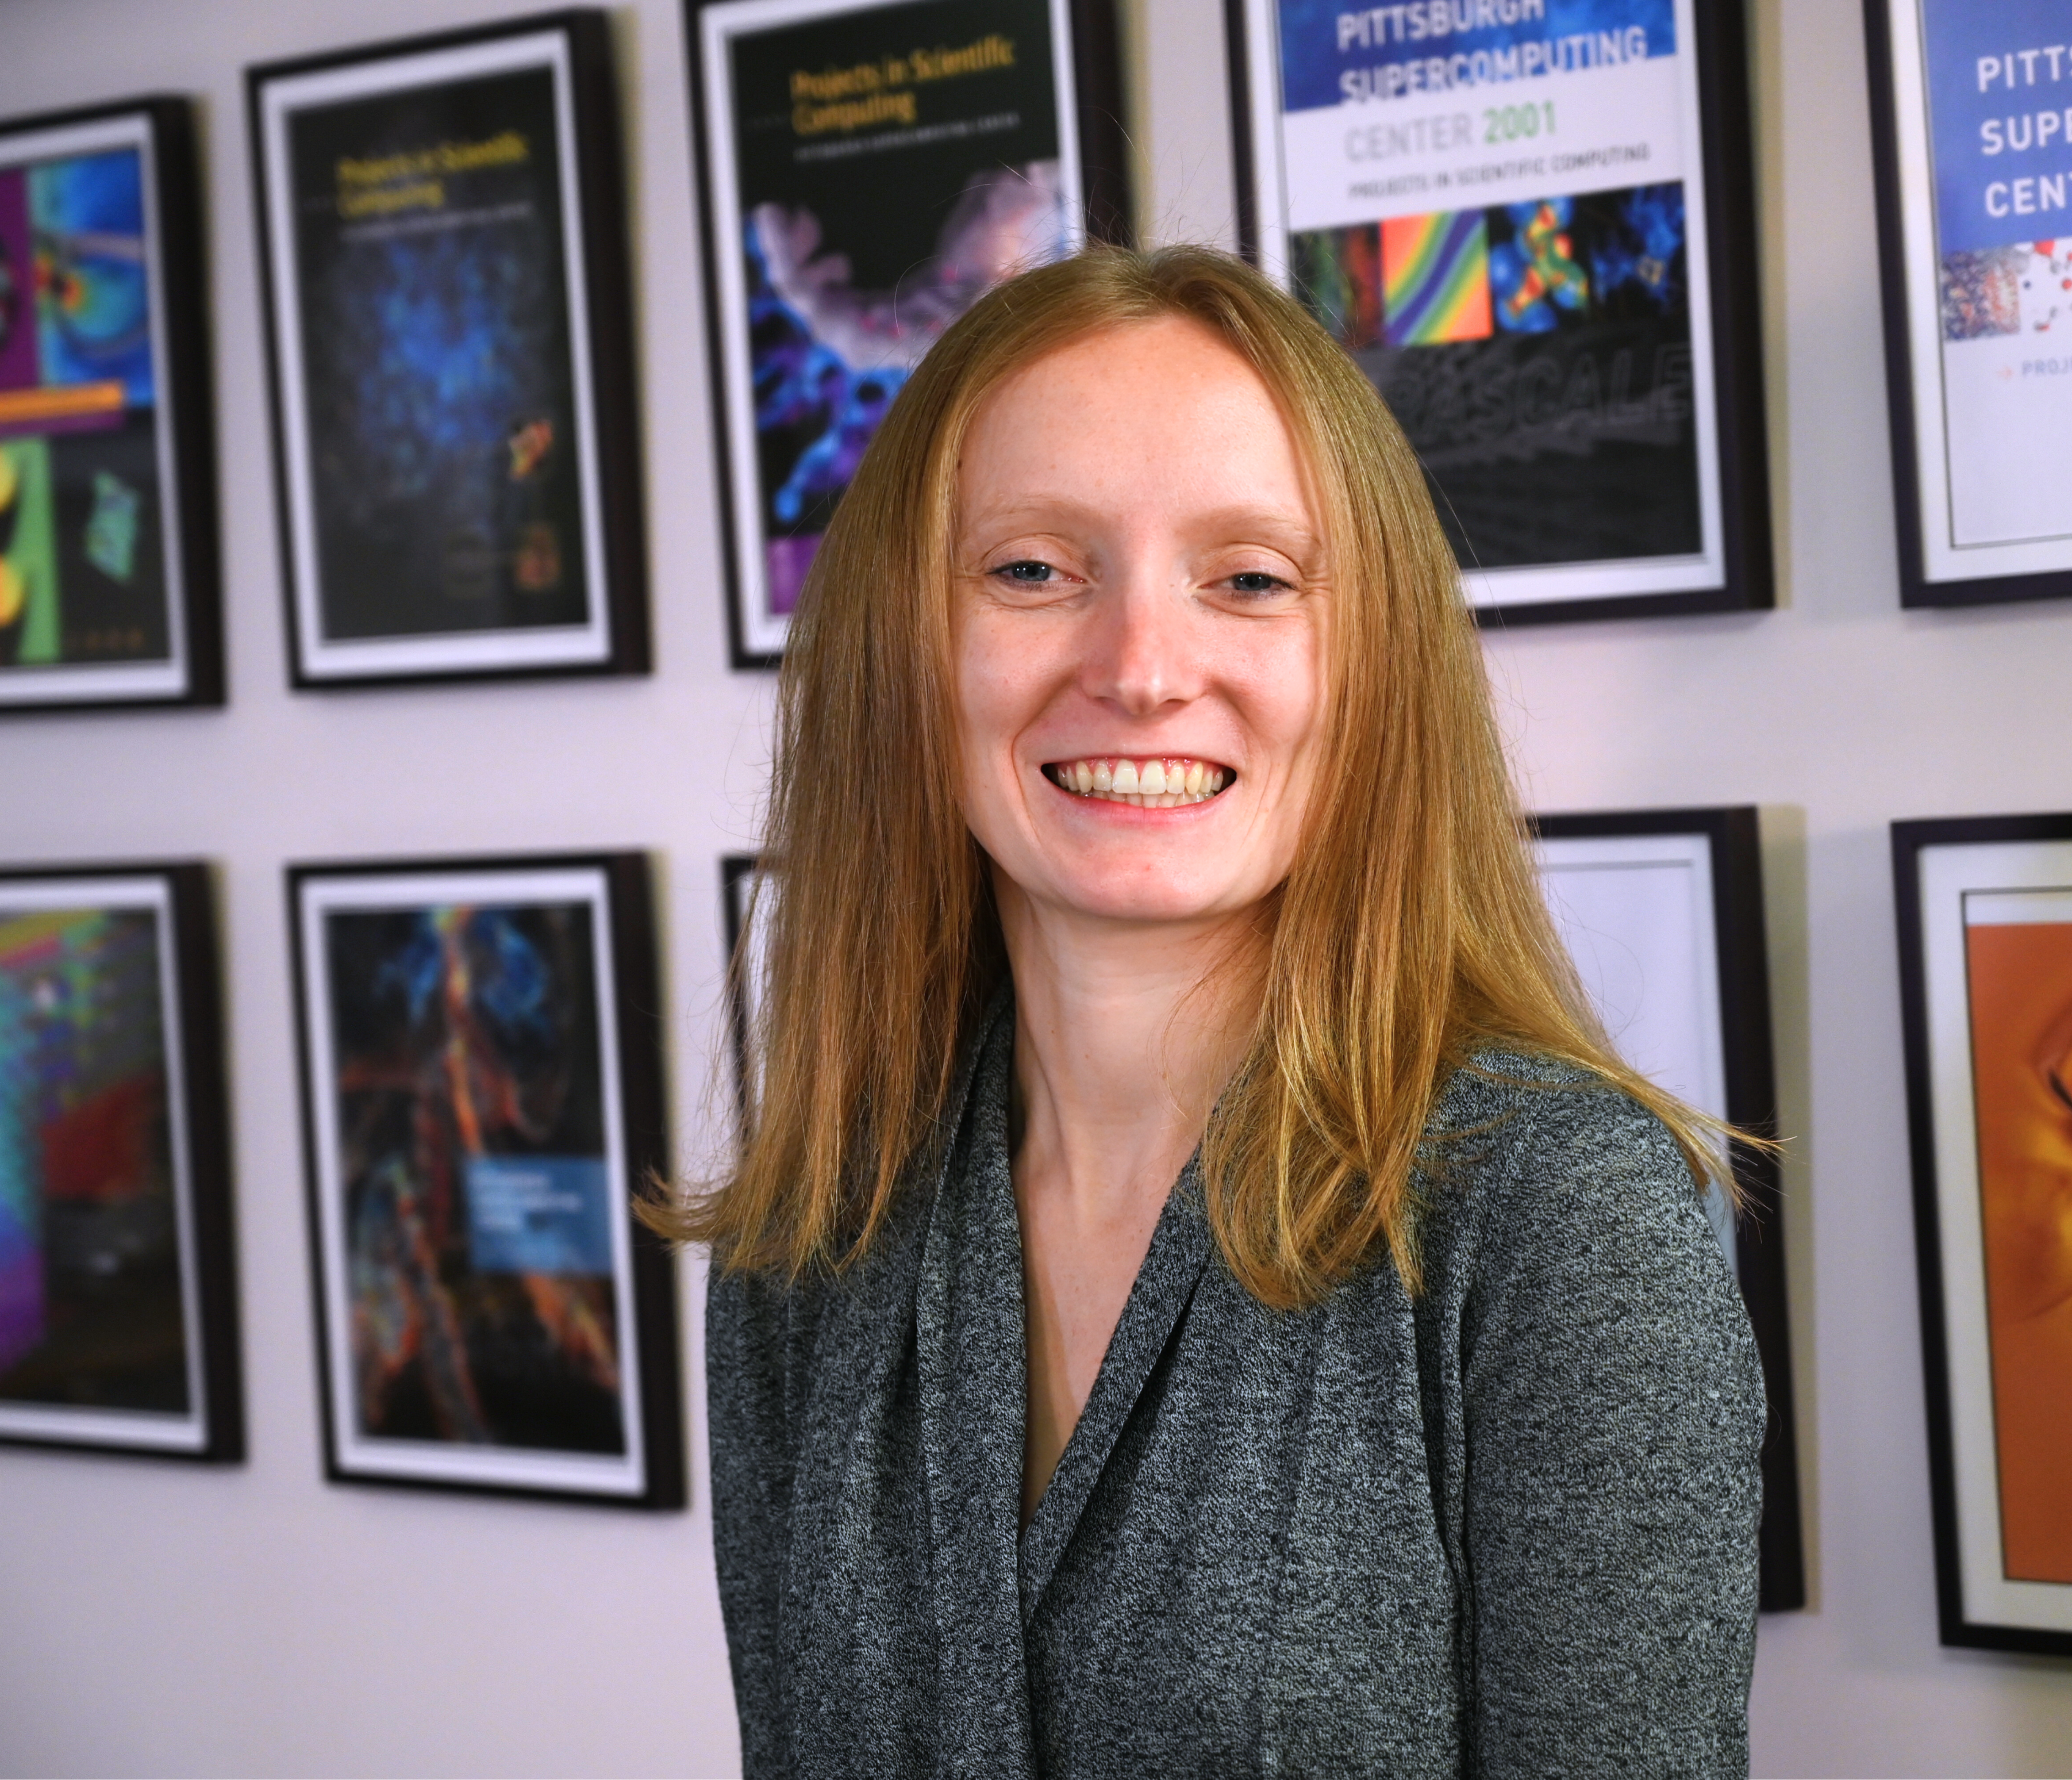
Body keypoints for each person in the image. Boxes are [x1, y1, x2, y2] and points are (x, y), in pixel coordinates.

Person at [665, 243, 1763, 1777]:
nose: (1140, 669)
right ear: (898, 649)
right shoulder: (811, 1239)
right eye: (1034, 570)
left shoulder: (1555, 1217)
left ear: (1373, 660)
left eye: (1249, 579)